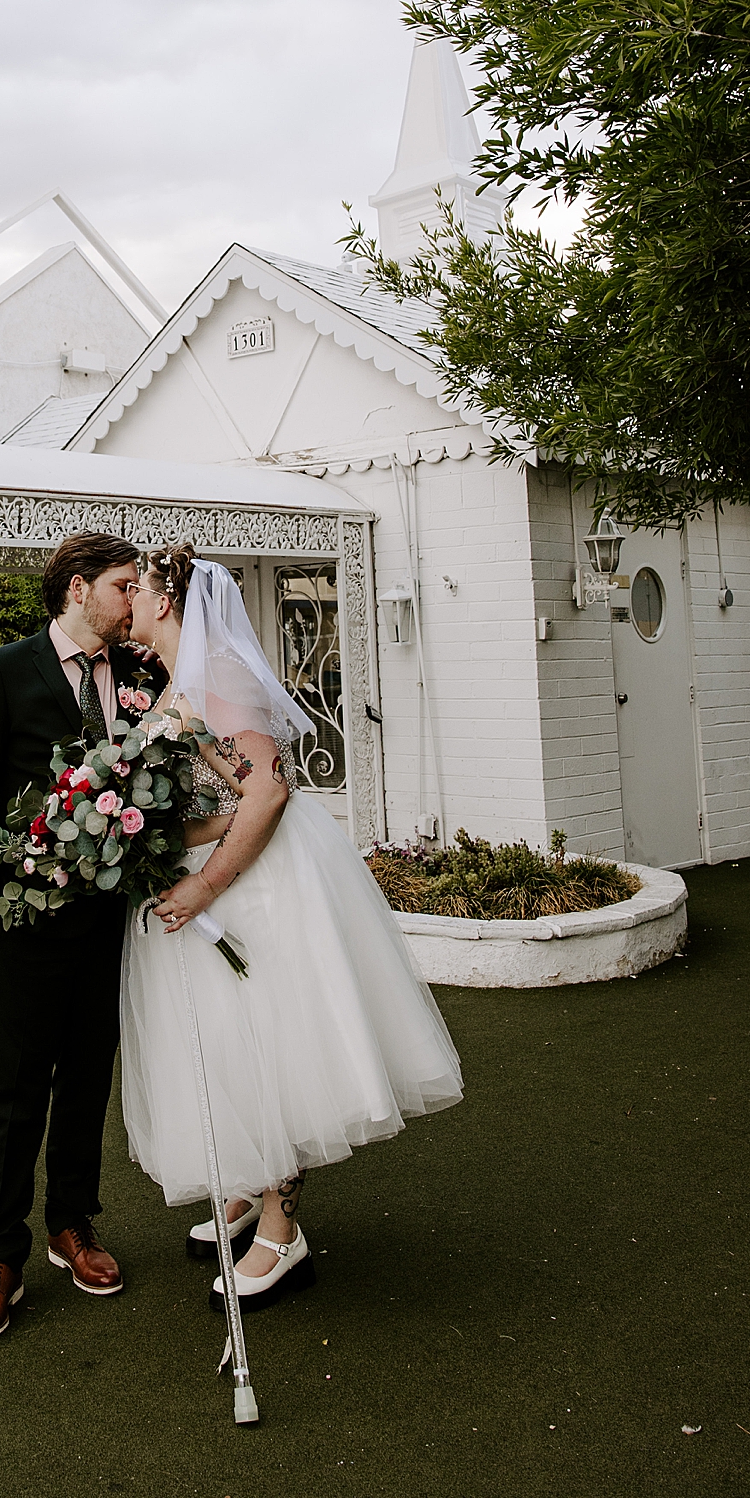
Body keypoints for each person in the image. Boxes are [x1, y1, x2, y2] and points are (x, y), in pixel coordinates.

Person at [120, 543, 463, 1310]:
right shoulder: (176, 681)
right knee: (227, 1044)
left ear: (167, 600)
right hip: (207, 885)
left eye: (137, 588)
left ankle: (282, 1231)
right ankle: (245, 1186)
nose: (130, 602)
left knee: (270, 1045)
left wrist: (205, 884)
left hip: (256, 887)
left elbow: (265, 793)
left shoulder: (224, 678)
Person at [0, 531, 163, 1344]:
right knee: (13, 1088)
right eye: (120, 585)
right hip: (25, 917)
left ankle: (73, 1224)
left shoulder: (142, 675)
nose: (131, 601)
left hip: (110, 919)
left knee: (86, 1074)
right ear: (78, 588)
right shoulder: (5, 670)